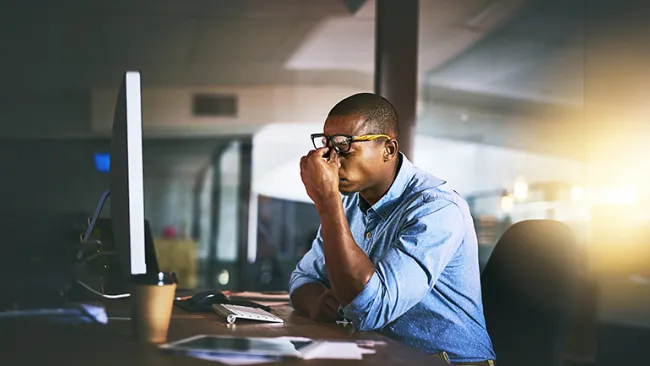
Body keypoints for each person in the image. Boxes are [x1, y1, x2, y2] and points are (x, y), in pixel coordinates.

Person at [289, 93, 495, 365]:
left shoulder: (437, 209)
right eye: (326, 146)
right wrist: (317, 304)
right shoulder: (350, 203)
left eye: (344, 146)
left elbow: (370, 307)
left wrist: (327, 201)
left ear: (388, 149)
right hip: (382, 357)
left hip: (448, 361)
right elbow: (302, 278)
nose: (331, 161)